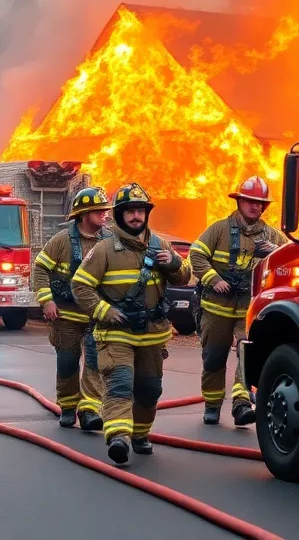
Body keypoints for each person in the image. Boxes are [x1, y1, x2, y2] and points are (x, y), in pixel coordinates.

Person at [72, 183, 190, 465]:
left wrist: (174, 263)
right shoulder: (104, 249)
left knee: (150, 390)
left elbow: (185, 278)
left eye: (141, 210)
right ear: (120, 215)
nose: (136, 216)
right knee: (120, 384)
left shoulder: (161, 245)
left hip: (152, 335)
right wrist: (104, 311)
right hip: (117, 334)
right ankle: (118, 438)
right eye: (130, 211)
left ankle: (139, 434)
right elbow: (80, 286)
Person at [189, 176, 287, 426]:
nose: (255, 206)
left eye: (259, 203)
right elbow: (196, 255)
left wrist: (274, 253)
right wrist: (214, 280)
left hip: (248, 309)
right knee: (214, 357)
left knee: (247, 355)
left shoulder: (273, 236)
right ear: (239, 201)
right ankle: (212, 406)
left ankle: (242, 404)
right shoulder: (219, 229)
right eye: (250, 201)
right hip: (216, 308)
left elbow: (291, 261)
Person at [31, 187, 111, 431]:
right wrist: (47, 301)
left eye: (105, 210)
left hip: (97, 316)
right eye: (99, 211)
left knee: (95, 364)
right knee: (67, 362)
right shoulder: (62, 240)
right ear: (83, 214)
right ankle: (67, 407)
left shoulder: (109, 241)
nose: (105, 215)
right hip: (66, 315)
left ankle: (89, 410)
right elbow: (40, 269)